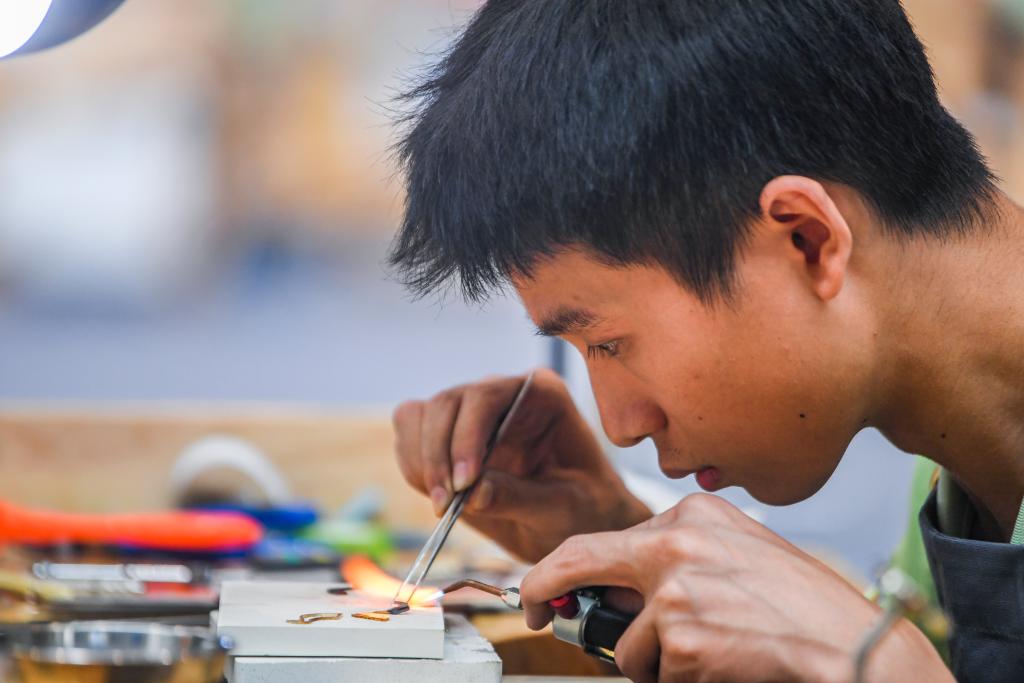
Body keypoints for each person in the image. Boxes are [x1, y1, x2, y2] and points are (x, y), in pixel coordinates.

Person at [388, 1, 1024, 680]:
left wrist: (877, 666)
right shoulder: (960, 462)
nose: (621, 425)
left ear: (807, 239)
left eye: (609, 343)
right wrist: (624, 545)